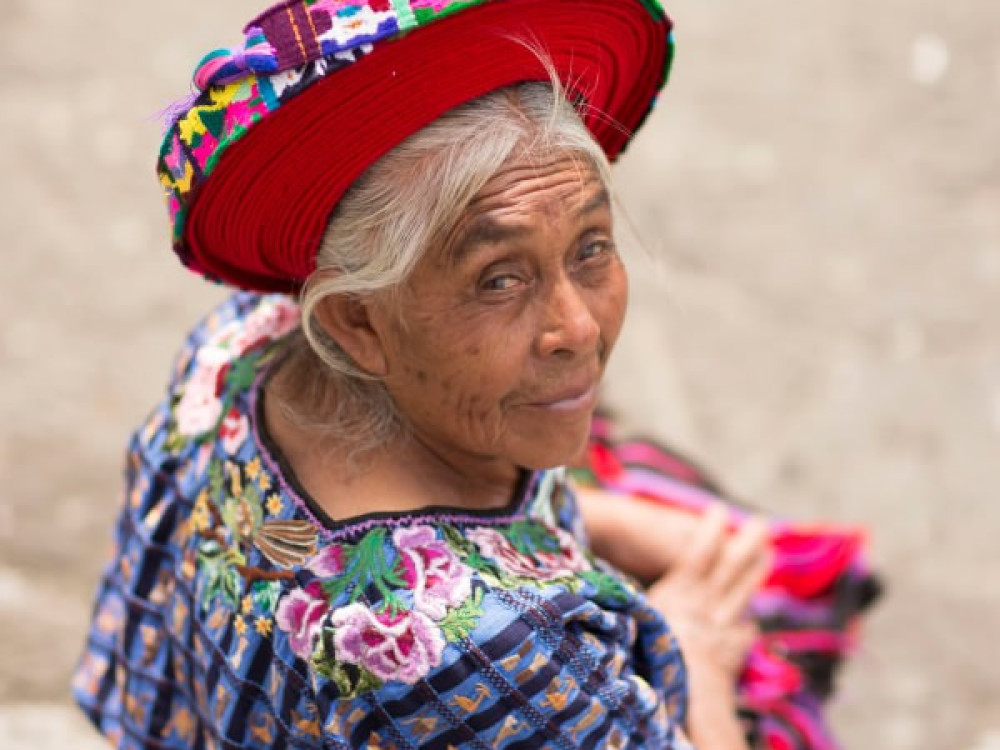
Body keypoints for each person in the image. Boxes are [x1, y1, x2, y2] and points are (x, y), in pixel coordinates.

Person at [73, 1, 877, 748]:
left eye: (591, 246)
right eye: (500, 279)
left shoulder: (236, 347)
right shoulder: (476, 648)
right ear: (358, 322)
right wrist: (691, 647)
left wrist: (615, 528)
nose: (580, 328)